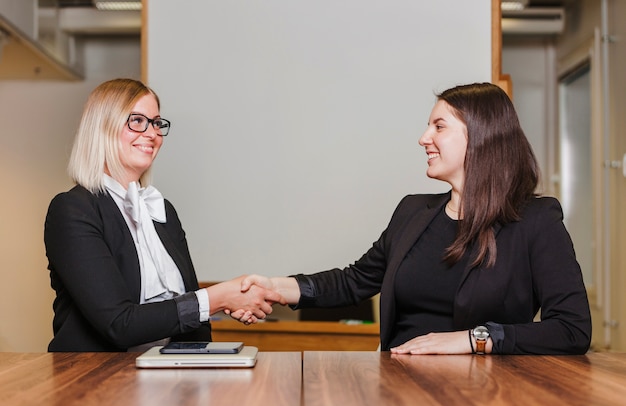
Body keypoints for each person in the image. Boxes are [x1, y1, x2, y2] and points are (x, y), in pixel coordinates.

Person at [233, 82, 592, 355]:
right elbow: (354, 281)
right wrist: (276, 288)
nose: (423, 138)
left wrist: (473, 340)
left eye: (439, 126)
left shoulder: (536, 221)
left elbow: (572, 329)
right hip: (398, 384)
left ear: (481, 137)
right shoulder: (412, 211)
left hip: (486, 394)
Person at [44, 78, 283, 352]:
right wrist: (217, 298)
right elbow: (118, 324)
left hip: (165, 377)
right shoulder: (73, 210)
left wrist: (199, 376)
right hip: (94, 381)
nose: (152, 134)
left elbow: (195, 320)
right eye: (137, 120)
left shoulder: (161, 209)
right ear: (102, 127)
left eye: (156, 122)